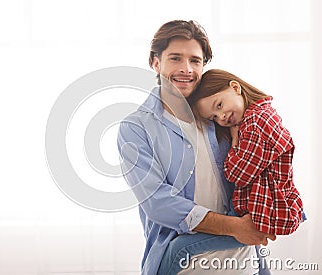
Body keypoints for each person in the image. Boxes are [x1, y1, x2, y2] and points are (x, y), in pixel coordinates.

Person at [117, 20, 276, 275]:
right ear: (156, 63)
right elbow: (158, 203)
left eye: (195, 60)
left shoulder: (222, 116)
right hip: (183, 265)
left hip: (244, 261)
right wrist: (233, 227)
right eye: (175, 58)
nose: (186, 69)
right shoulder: (136, 128)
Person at [188, 69, 305, 236]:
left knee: (178, 248)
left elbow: (237, 175)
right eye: (214, 117)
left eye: (219, 105)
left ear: (235, 87)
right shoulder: (261, 115)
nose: (221, 117)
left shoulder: (256, 123)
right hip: (263, 209)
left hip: (266, 212)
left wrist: (235, 143)